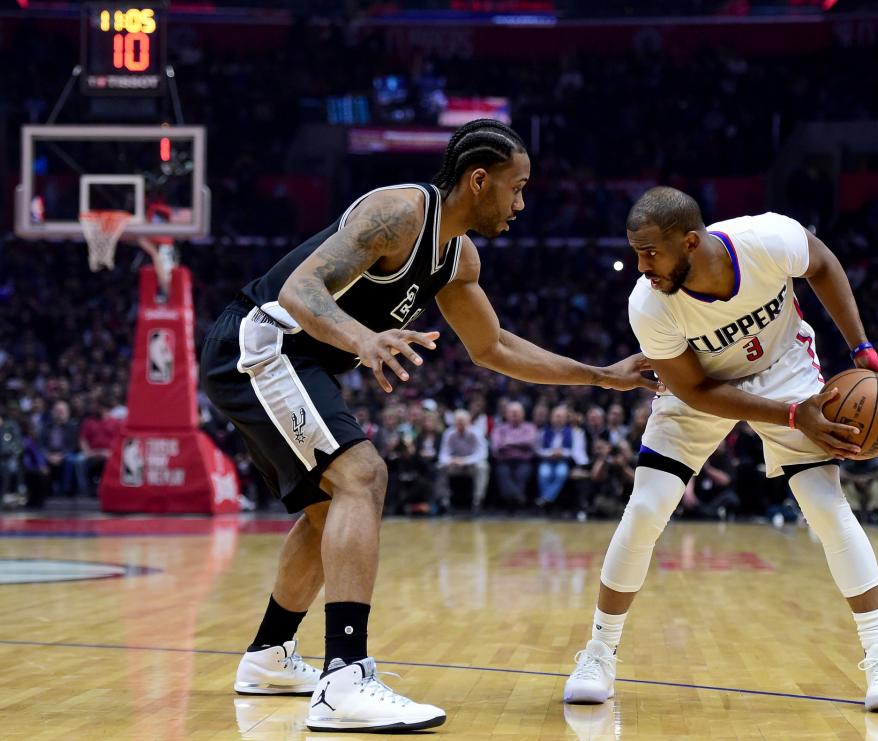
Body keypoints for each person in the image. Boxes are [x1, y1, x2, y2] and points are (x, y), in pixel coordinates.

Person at [200, 119, 653, 733]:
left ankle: (270, 656)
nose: (521, 203)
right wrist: (365, 339)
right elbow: (302, 289)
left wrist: (601, 376)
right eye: (516, 188)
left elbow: (493, 348)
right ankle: (345, 677)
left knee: (328, 510)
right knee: (363, 476)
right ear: (478, 179)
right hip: (260, 343)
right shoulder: (399, 212)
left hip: (297, 360)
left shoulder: (458, 256)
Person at [563, 187, 878, 713]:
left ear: (691, 242)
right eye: (636, 252)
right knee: (646, 508)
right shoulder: (649, 304)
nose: (641, 265)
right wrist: (794, 417)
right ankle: (599, 652)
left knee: (825, 505)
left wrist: (861, 348)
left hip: (783, 370)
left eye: (650, 252)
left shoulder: (765, 238)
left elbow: (822, 262)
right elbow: (695, 391)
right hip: (701, 384)